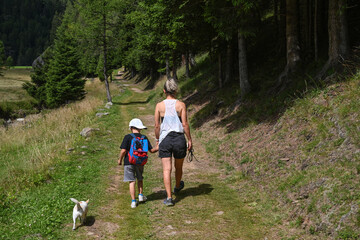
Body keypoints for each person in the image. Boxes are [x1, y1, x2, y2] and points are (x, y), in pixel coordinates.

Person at [154, 78, 192, 206]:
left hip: (165, 139)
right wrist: (190, 140)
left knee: (166, 169)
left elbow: (157, 126)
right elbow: (185, 124)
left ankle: (169, 198)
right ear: (175, 90)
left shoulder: (159, 106)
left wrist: (157, 140)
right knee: (178, 166)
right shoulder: (181, 105)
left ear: (164, 91)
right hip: (179, 139)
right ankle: (177, 186)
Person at [118, 118, 158, 208]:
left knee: (132, 181)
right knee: (140, 178)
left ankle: (133, 201)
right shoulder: (144, 138)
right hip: (140, 162)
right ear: (140, 128)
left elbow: (123, 151)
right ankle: (140, 195)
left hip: (129, 162)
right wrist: (158, 146)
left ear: (131, 127)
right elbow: (151, 150)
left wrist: (120, 160)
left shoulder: (128, 137)